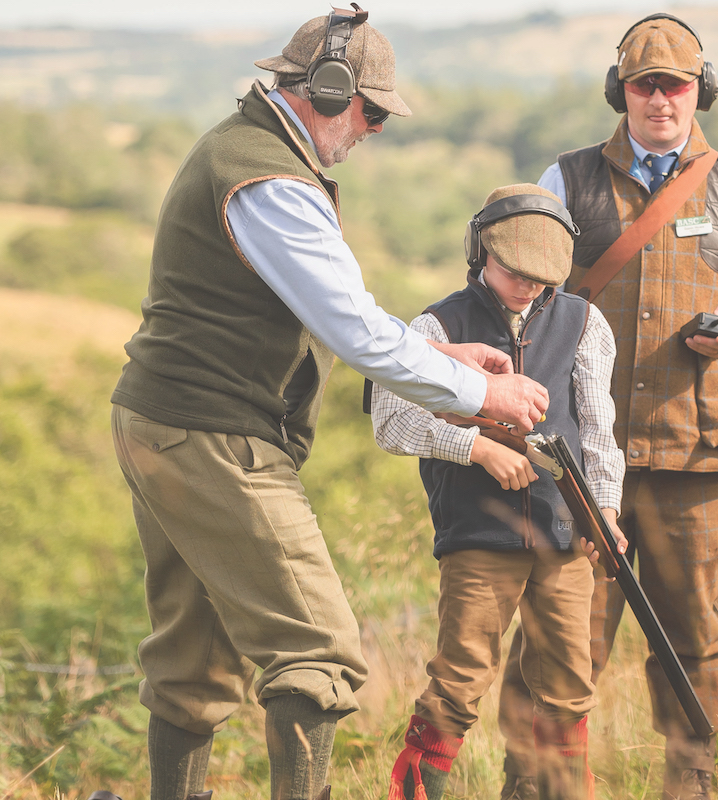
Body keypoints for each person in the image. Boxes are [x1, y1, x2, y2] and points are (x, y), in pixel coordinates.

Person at [108, 9, 549, 800]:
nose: (373, 129)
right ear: (328, 89)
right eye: (371, 111)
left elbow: (340, 310)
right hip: (214, 434)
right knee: (321, 655)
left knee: (191, 654)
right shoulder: (272, 180)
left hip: (163, 422)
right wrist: (486, 392)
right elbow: (359, 336)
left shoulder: (244, 151)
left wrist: (441, 356)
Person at [496, 14, 718, 800]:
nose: (661, 98)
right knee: (560, 631)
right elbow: (520, 286)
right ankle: (536, 781)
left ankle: (690, 781)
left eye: (677, 84)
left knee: (697, 628)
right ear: (620, 92)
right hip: (578, 452)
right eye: (645, 84)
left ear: (701, 90)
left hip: (693, 449)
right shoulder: (565, 179)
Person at [372, 184, 625, 800]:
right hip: (478, 536)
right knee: (458, 684)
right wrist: (478, 449)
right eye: (516, 271)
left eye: (542, 277)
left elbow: (598, 433)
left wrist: (607, 510)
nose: (529, 287)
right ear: (480, 248)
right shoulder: (437, 324)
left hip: (564, 532)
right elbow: (390, 420)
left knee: (569, 691)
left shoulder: (586, 323)